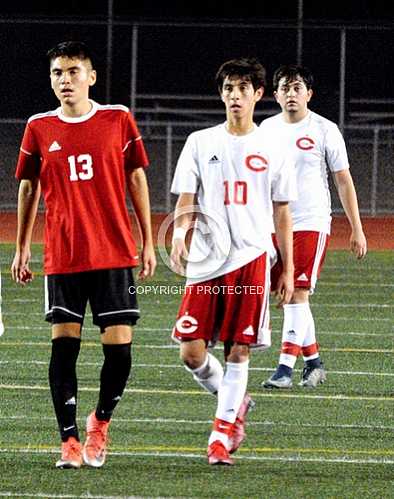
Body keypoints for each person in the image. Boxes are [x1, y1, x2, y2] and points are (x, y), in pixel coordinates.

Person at [11, 41, 156, 469]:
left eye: (73, 71)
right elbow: (27, 188)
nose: (65, 80)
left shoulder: (117, 119)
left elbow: (136, 179)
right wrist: (22, 248)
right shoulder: (39, 127)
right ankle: (69, 441)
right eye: (57, 72)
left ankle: (101, 422)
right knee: (63, 351)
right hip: (64, 256)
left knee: (120, 353)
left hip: (113, 253)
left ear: (91, 77)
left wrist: (148, 240)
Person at [170, 57, 297, 465]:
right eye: (228, 88)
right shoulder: (200, 141)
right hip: (207, 262)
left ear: (259, 95)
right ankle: (235, 401)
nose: (235, 96)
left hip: (252, 257)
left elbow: (282, 212)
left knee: (239, 349)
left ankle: (219, 438)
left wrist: (288, 268)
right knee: (191, 352)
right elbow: (186, 199)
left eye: (243, 88)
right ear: (221, 94)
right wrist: (178, 234)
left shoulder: (275, 146)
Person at [261, 64, 367, 390]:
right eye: (285, 88)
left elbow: (343, 180)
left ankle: (283, 369)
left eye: (297, 88)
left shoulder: (324, 129)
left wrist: (357, 228)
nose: (291, 94)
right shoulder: (265, 129)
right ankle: (314, 363)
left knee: (298, 291)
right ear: (275, 95)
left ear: (308, 94)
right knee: (289, 295)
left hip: (311, 221)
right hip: (274, 224)